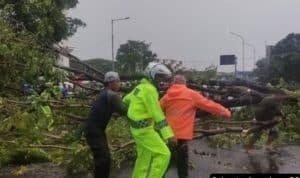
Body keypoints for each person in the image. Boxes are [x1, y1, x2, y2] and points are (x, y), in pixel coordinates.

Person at [160, 75, 232, 178]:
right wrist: (226, 112)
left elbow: (157, 110)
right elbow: (210, 105)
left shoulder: (167, 96)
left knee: (164, 162)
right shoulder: (191, 95)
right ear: (184, 84)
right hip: (182, 137)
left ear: (173, 84)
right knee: (182, 164)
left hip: (167, 135)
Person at [123, 62, 175, 178]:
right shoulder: (150, 90)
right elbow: (157, 114)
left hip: (135, 129)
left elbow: (126, 99)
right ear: (152, 76)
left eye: (163, 78)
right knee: (164, 154)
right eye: (159, 77)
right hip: (145, 131)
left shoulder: (139, 87)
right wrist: (168, 135)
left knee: (143, 159)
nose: (162, 81)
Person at [85, 71, 127, 178]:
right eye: (117, 81)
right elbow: (125, 110)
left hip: (95, 130)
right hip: (95, 131)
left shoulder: (105, 93)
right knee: (103, 159)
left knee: (102, 159)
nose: (119, 84)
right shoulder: (112, 95)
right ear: (110, 82)